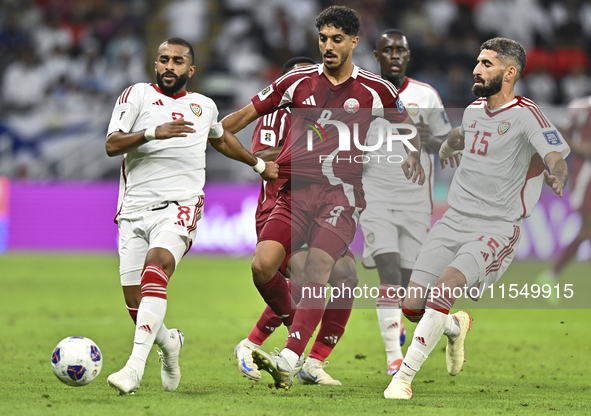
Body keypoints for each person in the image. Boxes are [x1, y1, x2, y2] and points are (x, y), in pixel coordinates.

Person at [223, 5, 424, 390]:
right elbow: (245, 116)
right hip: (293, 195)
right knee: (263, 266)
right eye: (322, 39)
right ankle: (282, 337)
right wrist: (216, 130)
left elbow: (406, 124)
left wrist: (411, 153)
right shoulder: (297, 82)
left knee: (322, 270)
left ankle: (295, 357)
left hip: (342, 195)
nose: (327, 46)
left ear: (353, 42)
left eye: (335, 39)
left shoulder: (375, 89)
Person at [384, 37, 570, 400]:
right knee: (412, 306)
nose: (476, 69)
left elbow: (554, 154)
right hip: (454, 219)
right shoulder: (473, 110)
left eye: (486, 63)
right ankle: (455, 327)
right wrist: (447, 147)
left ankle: (402, 380)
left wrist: (557, 174)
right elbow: (461, 134)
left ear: (509, 72)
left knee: (444, 289)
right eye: (478, 62)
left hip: (496, 226)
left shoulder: (527, 113)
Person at [104, 37, 278, 395]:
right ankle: (170, 345)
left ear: (191, 69)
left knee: (157, 267)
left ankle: (133, 370)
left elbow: (221, 139)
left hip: (180, 205)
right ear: (156, 64)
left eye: (178, 61)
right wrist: (154, 132)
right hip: (134, 209)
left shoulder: (203, 106)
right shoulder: (136, 95)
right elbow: (111, 144)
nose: (170, 66)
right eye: (163, 59)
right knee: (136, 307)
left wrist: (259, 164)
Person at [234, 56, 359, 387]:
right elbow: (260, 157)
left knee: (345, 276)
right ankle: (260, 345)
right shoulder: (276, 115)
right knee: (308, 275)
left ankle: (311, 360)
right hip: (280, 207)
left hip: (316, 206)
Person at [360, 29, 453, 376]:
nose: (394, 55)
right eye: (388, 50)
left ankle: (448, 326)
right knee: (387, 272)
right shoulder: (363, 92)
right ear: (377, 55)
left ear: (408, 56)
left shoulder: (425, 95)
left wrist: (433, 141)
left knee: (411, 288)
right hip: (375, 196)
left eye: (400, 49)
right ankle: (392, 360)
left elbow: (446, 145)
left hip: (415, 198)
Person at [536, 95, 591, 303]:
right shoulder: (581, 106)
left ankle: (550, 275)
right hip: (586, 172)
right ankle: (550, 275)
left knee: (587, 231)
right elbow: (559, 129)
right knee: (588, 229)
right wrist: (578, 147)